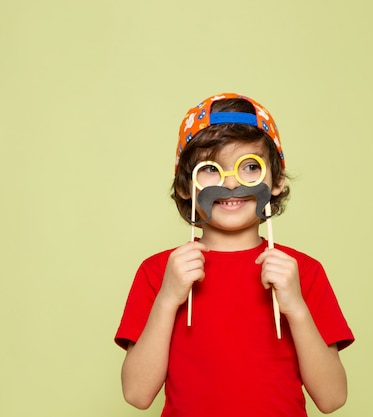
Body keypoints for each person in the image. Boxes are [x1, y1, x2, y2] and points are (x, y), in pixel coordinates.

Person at [114, 93, 354, 416]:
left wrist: (296, 306)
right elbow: (137, 393)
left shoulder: (302, 272)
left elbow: (333, 398)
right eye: (211, 169)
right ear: (186, 186)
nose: (230, 183)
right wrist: (168, 298)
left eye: (250, 166)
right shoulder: (159, 272)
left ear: (278, 181)